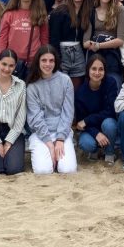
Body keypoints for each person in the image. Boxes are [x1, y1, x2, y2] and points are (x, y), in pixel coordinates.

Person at [26, 45, 77, 174]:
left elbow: (68, 113)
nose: (47, 64)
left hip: (62, 132)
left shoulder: (65, 81)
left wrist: (60, 139)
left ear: (56, 62)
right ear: (38, 61)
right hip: (41, 134)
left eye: (51, 60)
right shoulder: (32, 86)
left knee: (68, 170)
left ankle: (59, 158)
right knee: (43, 171)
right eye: (44, 60)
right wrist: (49, 144)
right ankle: (50, 157)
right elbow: (35, 118)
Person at [74, 55, 119, 163]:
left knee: (109, 124)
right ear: (88, 70)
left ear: (105, 71)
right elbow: (80, 123)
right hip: (90, 128)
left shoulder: (110, 83)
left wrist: (88, 120)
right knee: (86, 143)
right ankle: (95, 151)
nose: (97, 73)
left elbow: (111, 111)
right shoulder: (81, 92)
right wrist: (96, 133)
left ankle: (109, 153)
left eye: (101, 69)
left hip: (106, 123)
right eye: (94, 69)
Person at [0, 0, 50, 70]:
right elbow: (2, 38)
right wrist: (0, 58)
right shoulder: (9, 14)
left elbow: (44, 39)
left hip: (34, 62)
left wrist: (44, 59)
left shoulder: (40, 14)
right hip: (12, 62)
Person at [84, 0, 124, 87]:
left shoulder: (119, 10)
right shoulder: (91, 11)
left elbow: (120, 40)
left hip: (112, 56)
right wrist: (92, 45)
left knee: (113, 85)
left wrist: (99, 45)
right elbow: (85, 41)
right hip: (95, 57)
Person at [49, 0, 91, 88]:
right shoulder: (59, 11)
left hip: (79, 55)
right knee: (60, 88)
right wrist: (57, 59)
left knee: (75, 89)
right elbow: (54, 39)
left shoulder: (88, 12)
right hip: (62, 54)